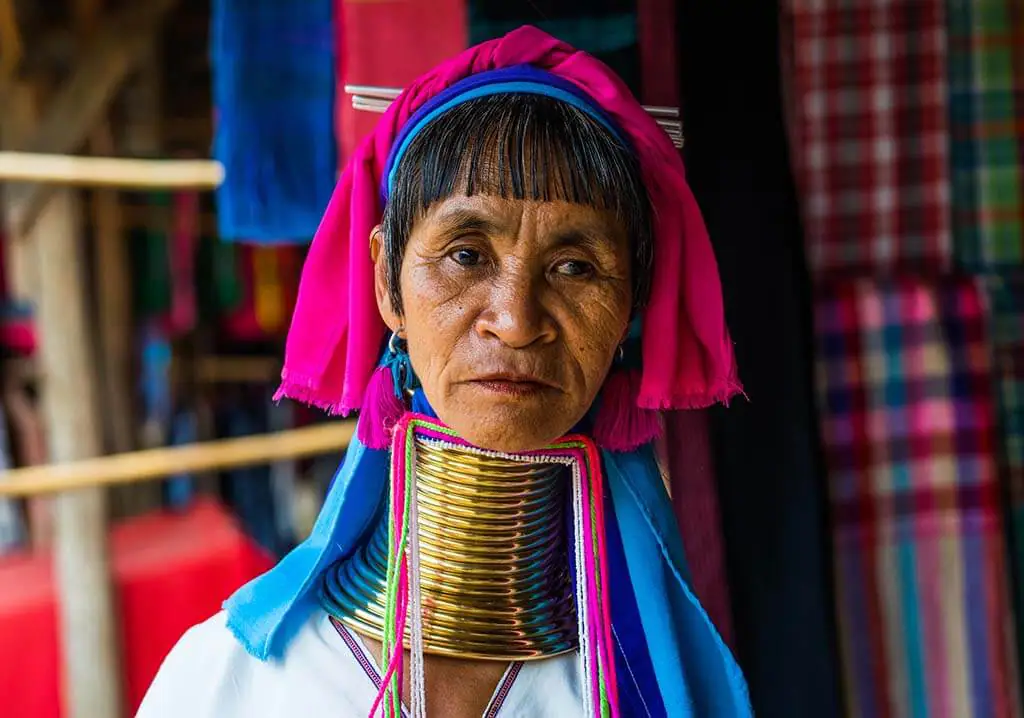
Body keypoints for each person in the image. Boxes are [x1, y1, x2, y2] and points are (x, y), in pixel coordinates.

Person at [136, 26, 751, 718]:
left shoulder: (652, 694)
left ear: (631, 302)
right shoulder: (231, 685)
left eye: (575, 267)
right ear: (384, 282)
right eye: (465, 255)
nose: (516, 320)